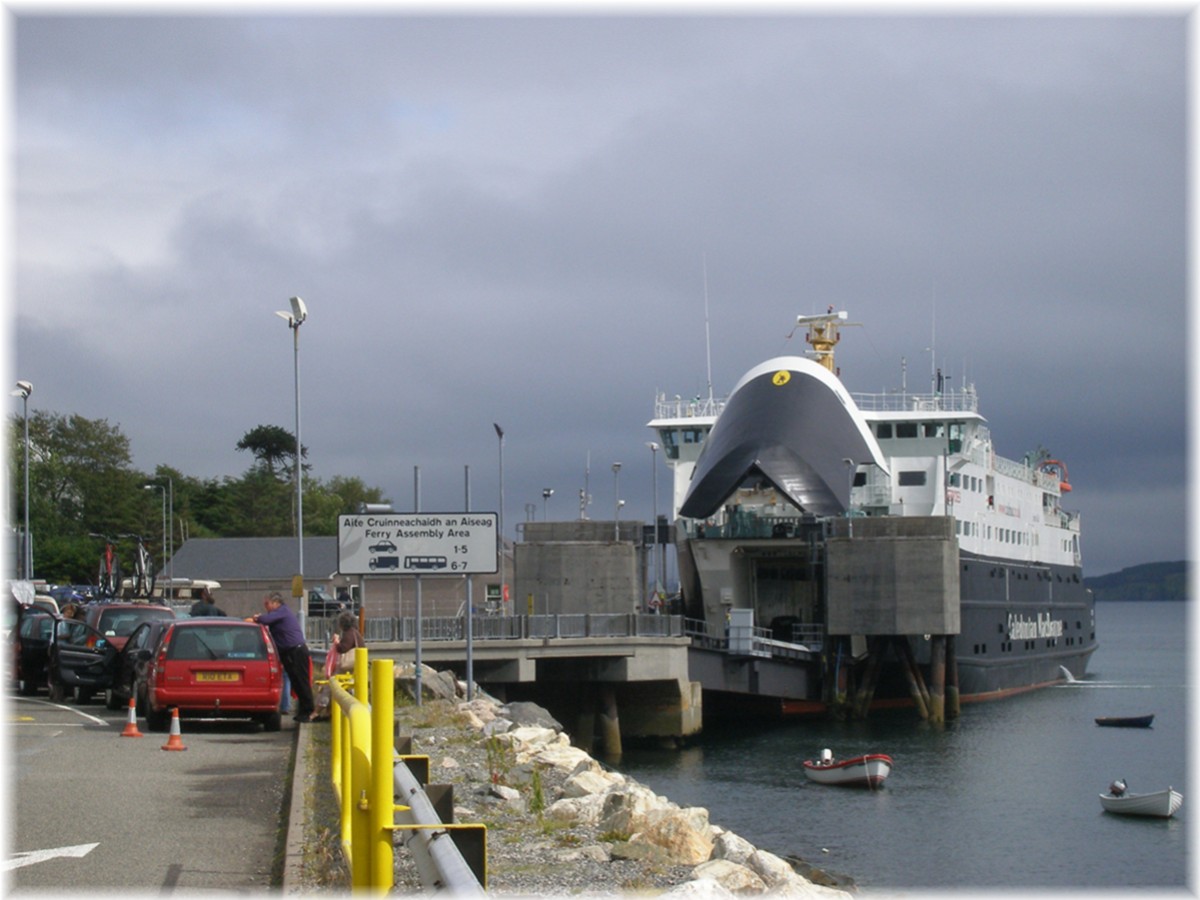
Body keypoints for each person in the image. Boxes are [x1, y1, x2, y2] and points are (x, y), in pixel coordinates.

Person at [247, 592, 315, 722]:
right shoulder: (278, 613)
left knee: (301, 682)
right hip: (289, 653)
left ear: (275, 603)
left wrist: (257, 618)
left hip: (296, 651)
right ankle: (303, 711)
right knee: (296, 682)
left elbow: (266, 620)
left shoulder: (282, 611)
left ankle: (308, 711)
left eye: (267, 604)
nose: (266, 607)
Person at [313, 612, 365, 720]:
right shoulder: (356, 633)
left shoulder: (348, 634)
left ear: (343, 624)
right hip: (355, 667)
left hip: (346, 666)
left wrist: (336, 641)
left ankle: (316, 712)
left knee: (331, 685)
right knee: (347, 690)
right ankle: (330, 712)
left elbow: (342, 648)